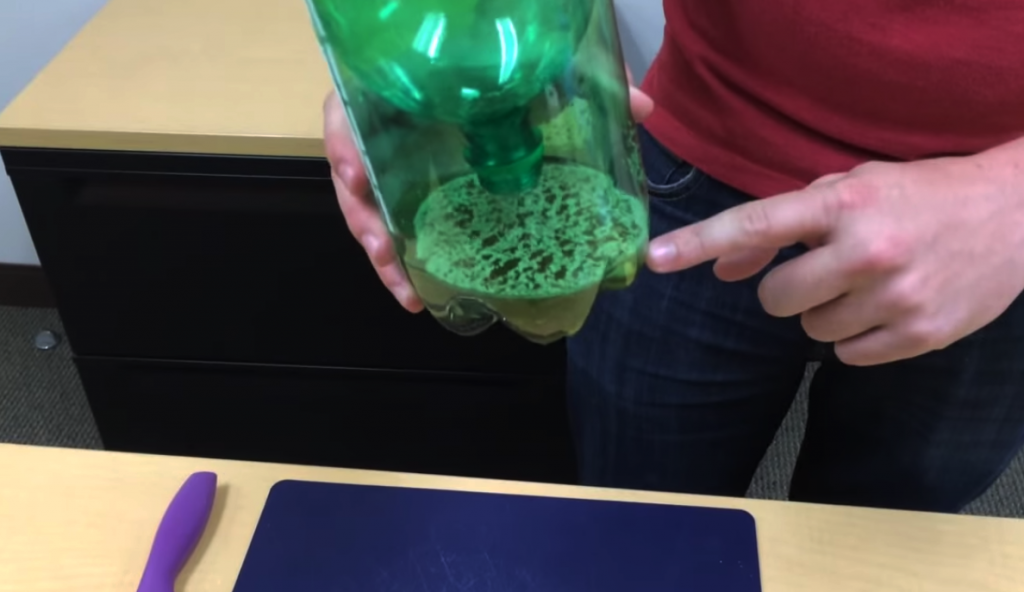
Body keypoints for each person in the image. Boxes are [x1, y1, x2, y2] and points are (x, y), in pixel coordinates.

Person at [323, 1, 1024, 513]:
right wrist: (387, 42)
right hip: (694, 158)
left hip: (996, 233)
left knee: (886, 541)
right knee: (642, 519)